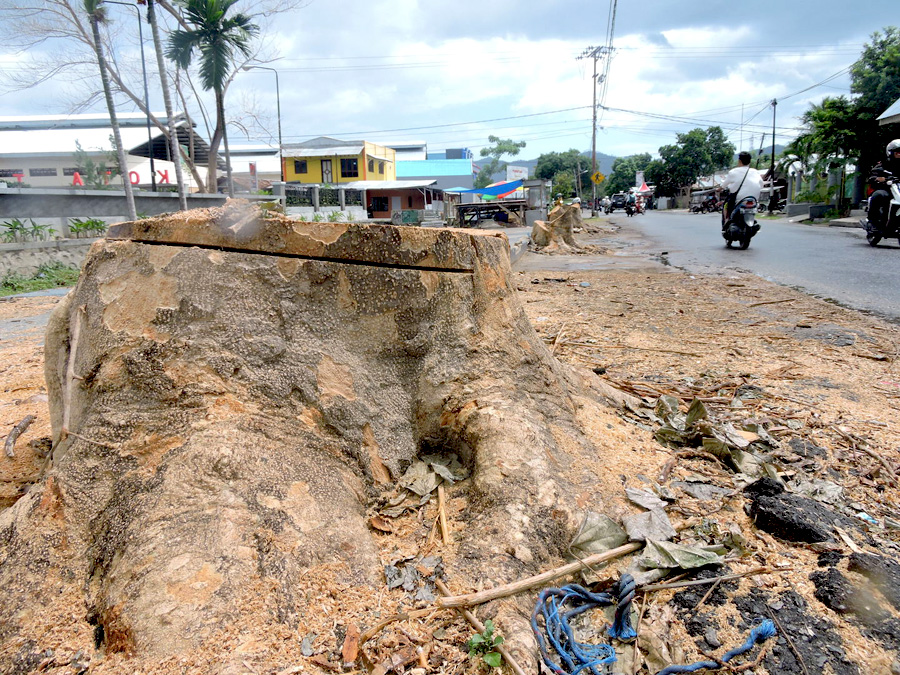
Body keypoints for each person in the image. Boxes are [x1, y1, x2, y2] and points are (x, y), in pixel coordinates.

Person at [722, 151, 763, 228]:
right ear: (750, 161)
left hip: (739, 199)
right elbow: (761, 185)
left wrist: (719, 189)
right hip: (754, 200)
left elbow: (724, 185)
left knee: (726, 205)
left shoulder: (733, 172)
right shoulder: (755, 172)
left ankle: (726, 224)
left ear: (739, 161)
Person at [868, 139, 900, 230]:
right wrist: (880, 178)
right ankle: (873, 221)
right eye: (898, 152)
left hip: (898, 190)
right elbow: (873, 176)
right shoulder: (884, 165)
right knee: (879, 195)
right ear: (890, 153)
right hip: (887, 189)